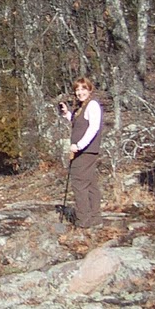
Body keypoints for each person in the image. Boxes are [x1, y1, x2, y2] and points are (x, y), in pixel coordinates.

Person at [58, 77, 103, 230]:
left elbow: (93, 128)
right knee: (90, 184)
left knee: (79, 184)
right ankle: (95, 218)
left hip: (85, 151)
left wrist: (79, 145)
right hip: (84, 151)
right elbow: (79, 123)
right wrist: (67, 114)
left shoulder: (93, 105)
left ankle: (83, 221)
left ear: (90, 90)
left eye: (83, 89)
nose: (80, 92)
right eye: (77, 89)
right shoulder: (82, 107)